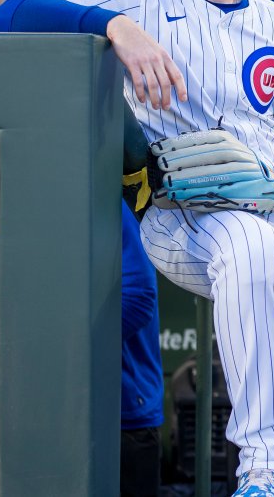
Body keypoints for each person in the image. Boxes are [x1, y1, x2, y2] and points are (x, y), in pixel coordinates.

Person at [0, 0, 274, 497]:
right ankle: (260, 466)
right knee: (251, 246)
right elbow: (11, 13)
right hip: (182, 214)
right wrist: (114, 27)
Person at [120, 199, 164, 497]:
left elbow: (138, 297)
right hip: (57, 414)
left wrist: (69, 352)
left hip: (126, 415)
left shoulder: (107, 206)